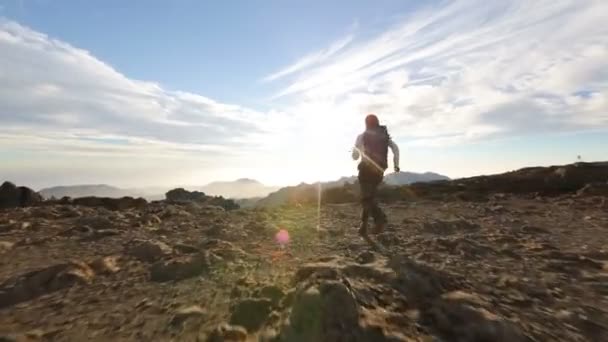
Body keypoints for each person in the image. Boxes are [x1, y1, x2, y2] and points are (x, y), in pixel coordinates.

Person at [351, 114, 400, 236]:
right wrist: (396, 165)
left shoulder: (361, 136)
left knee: (366, 198)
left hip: (365, 170)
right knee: (369, 198)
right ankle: (364, 227)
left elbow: (355, 156)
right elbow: (395, 149)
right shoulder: (384, 137)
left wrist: (355, 154)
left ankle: (379, 220)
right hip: (379, 170)